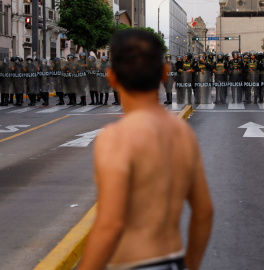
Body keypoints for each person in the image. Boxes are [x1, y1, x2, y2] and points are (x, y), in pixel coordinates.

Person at [77, 29, 213, 270]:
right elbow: (204, 212)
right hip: (172, 259)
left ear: (111, 77)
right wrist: (191, 265)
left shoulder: (116, 137)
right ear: (164, 73)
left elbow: (111, 225)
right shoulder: (182, 133)